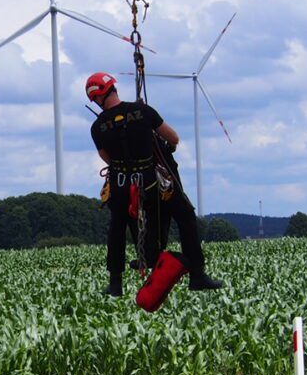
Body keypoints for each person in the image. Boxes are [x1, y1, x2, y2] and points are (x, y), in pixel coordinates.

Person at [87, 72, 224, 297]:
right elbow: (174, 139)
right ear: (113, 88)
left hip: (122, 185)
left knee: (117, 228)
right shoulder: (143, 111)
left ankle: (115, 284)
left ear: (96, 98)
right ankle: (197, 274)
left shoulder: (98, 126)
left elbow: (107, 158)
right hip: (153, 182)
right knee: (185, 216)